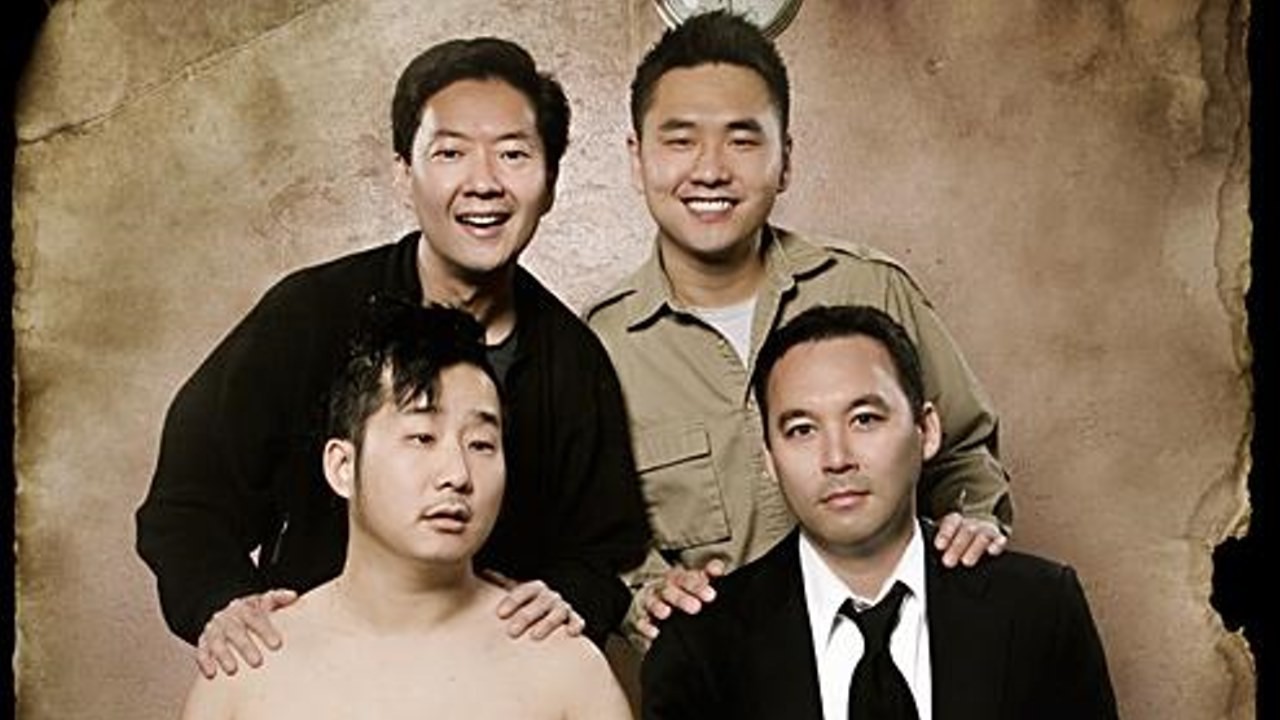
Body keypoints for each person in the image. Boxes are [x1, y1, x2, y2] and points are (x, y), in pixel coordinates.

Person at [137, 36, 649, 677]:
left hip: (492, 687)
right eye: (451, 153)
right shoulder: (309, 315)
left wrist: (568, 598)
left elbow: (604, 552)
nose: (484, 183)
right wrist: (223, 604)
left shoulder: (573, 359)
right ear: (404, 173)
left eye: (514, 154)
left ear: (550, 183)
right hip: (318, 677)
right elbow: (188, 503)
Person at [585, 10, 1012, 648]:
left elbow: (962, 450)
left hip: (904, 658)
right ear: (637, 158)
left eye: (742, 140)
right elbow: (597, 535)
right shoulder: (601, 345)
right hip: (723, 677)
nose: (710, 169)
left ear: (785, 159)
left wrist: (973, 521)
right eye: (680, 140)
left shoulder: (871, 289)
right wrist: (642, 594)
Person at [640, 305, 1118, 720]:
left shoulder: (1038, 607)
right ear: (769, 458)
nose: (836, 458)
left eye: (865, 419)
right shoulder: (700, 642)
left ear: (926, 430)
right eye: (802, 429)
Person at [179, 302, 632, 720]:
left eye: (481, 444)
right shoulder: (251, 664)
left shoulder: (564, 667)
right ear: (342, 466)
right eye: (422, 438)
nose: (457, 474)